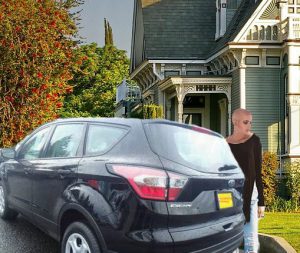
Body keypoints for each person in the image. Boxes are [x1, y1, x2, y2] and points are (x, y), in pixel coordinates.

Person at [226, 108, 265, 253]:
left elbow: (258, 172)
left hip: (251, 197)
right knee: (231, 239)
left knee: (250, 239)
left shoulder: (254, 141)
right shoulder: (225, 144)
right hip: (230, 198)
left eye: (250, 122)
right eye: (246, 122)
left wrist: (261, 202)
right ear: (235, 122)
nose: (249, 125)